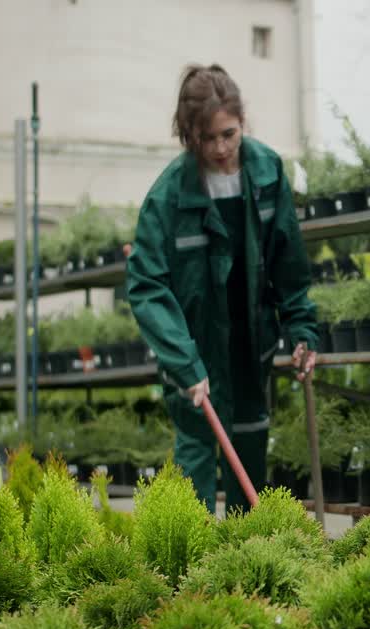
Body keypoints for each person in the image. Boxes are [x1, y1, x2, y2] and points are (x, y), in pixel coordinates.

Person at [127, 64, 317, 514]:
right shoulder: (168, 196)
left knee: (250, 444)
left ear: (241, 121)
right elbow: (147, 286)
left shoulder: (267, 171)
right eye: (206, 138)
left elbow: (288, 261)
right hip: (195, 347)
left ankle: (247, 562)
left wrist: (302, 330)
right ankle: (192, 565)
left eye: (228, 134)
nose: (219, 148)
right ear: (188, 134)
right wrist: (184, 362)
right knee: (195, 454)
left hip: (251, 340)